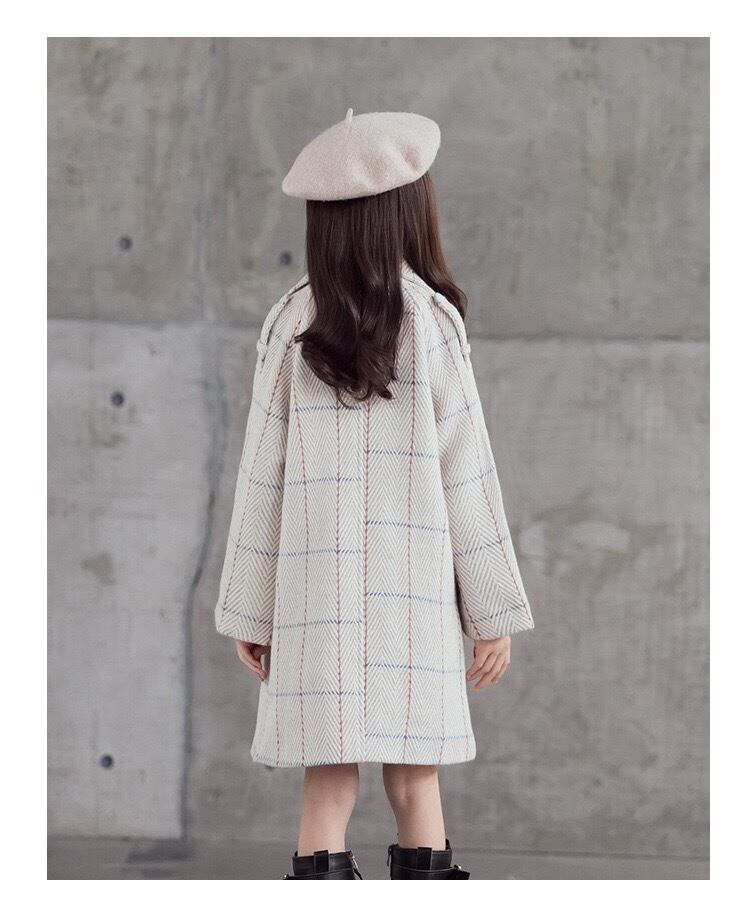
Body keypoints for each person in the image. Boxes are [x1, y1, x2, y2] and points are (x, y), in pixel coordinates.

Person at [215, 109, 534, 880]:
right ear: (408, 210)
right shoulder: (432, 322)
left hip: (315, 598)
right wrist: (492, 611)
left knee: (325, 782)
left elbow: (261, 477)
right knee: (416, 777)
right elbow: (467, 474)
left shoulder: (292, 320)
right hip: (412, 595)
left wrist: (250, 609)